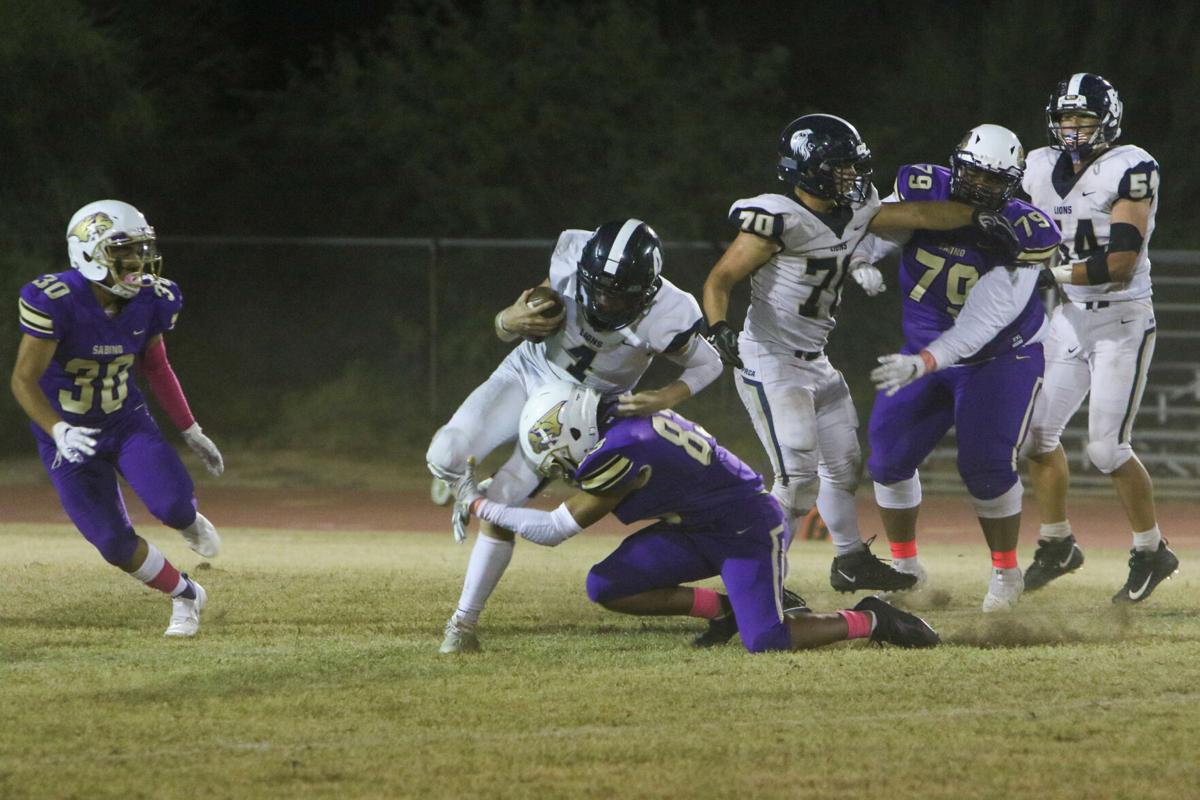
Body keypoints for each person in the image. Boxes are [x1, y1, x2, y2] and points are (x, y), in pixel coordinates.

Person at [702, 113, 1021, 599]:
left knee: (845, 464)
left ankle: (849, 559)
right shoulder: (775, 217)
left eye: (854, 166)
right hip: (770, 358)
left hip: (815, 360)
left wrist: (976, 217)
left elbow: (916, 215)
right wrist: (719, 328)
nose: (852, 177)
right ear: (807, 168)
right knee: (797, 477)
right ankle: (757, 581)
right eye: (840, 167)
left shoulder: (853, 209)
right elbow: (719, 279)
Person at [447, 381, 940, 652]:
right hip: (696, 527)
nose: (563, 469)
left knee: (766, 640)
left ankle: (871, 618)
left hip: (746, 529)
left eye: (559, 456)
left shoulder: (622, 449)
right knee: (607, 585)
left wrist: (478, 505)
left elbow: (555, 530)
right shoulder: (623, 420)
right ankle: (724, 610)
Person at [427, 219, 724, 653]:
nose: (604, 299)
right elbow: (518, 317)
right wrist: (506, 320)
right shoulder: (571, 257)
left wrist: (664, 396)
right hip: (527, 370)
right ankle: (461, 483)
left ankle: (462, 623)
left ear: (646, 290)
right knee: (445, 453)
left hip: (581, 407)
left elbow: (709, 363)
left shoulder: (668, 312)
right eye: (599, 288)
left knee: (503, 505)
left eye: (619, 293)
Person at [858, 124, 1061, 611]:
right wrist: (864, 259)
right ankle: (906, 565)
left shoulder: (1023, 232)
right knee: (887, 459)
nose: (980, 186)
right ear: (957, 164)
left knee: (985, 468)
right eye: (973, 173)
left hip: (998, 356)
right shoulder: (927, 189)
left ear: (1013, 183)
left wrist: (926, 360)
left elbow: (984, 319)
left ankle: (1006, 574)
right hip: (923, 350)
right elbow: (885, 222)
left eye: (994, 180)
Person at [11, 200, 224, 636]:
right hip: (67, 437)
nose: (138, 263)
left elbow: (156, 366)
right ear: (89, 252)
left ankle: (188, 520)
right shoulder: (56, 300)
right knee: (111, 542)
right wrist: (57, 428)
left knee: (172, 505)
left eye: (142, 250)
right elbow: (23, 380)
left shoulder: (151, 300)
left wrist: (190, 428)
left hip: (125, 423)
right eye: (124, 251)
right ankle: (185, 595)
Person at [1020, 73, 1178, 602]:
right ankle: (1058, 542)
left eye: (1083, 119)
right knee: (1034, 439)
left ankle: (1151, 550)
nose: (1072, 129)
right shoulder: (1037, 165)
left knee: (1107, 449)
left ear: (1105, 121)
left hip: (1120, 319)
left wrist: (1051, 275)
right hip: (1070, 318)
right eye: (1065, 119)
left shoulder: (1132, 165)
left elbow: (1122, 264)